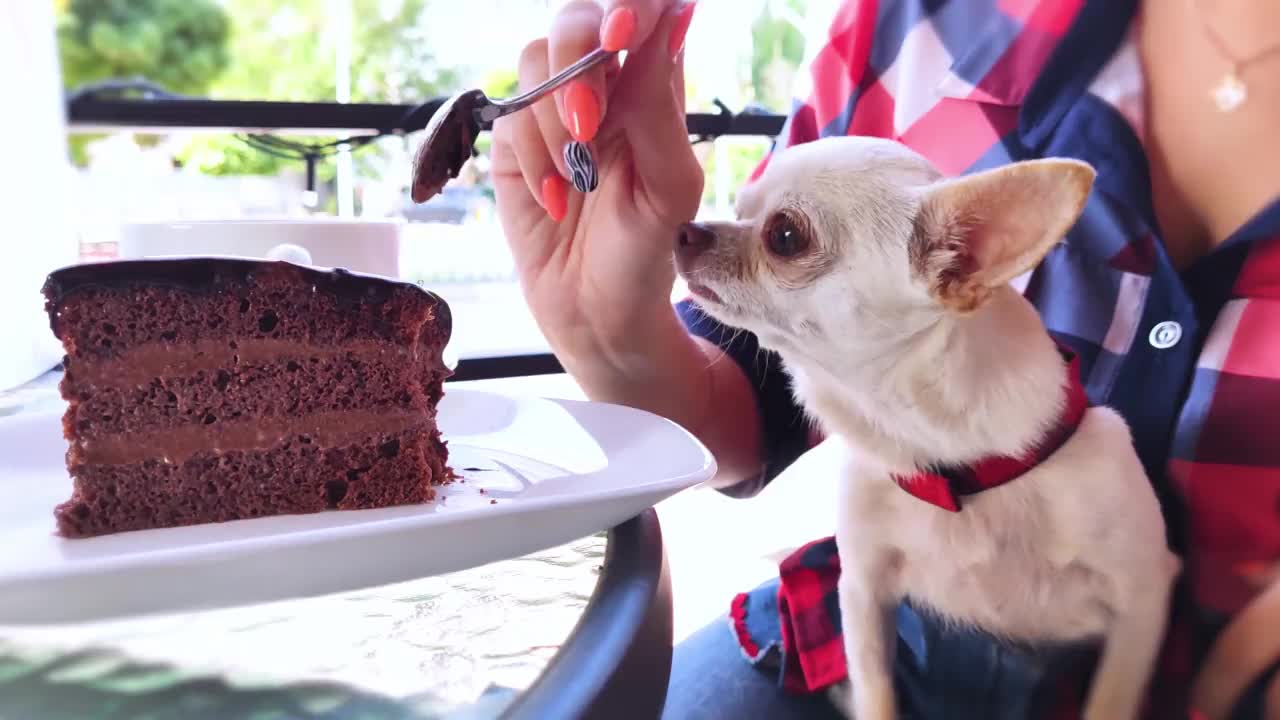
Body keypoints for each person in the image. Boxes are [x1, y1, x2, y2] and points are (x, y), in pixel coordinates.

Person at [487, 0, 1280, 717]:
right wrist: (615, 332)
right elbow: (749, 397)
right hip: (876, 652)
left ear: (967, 258)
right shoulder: (921, 23)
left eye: (787, 239)